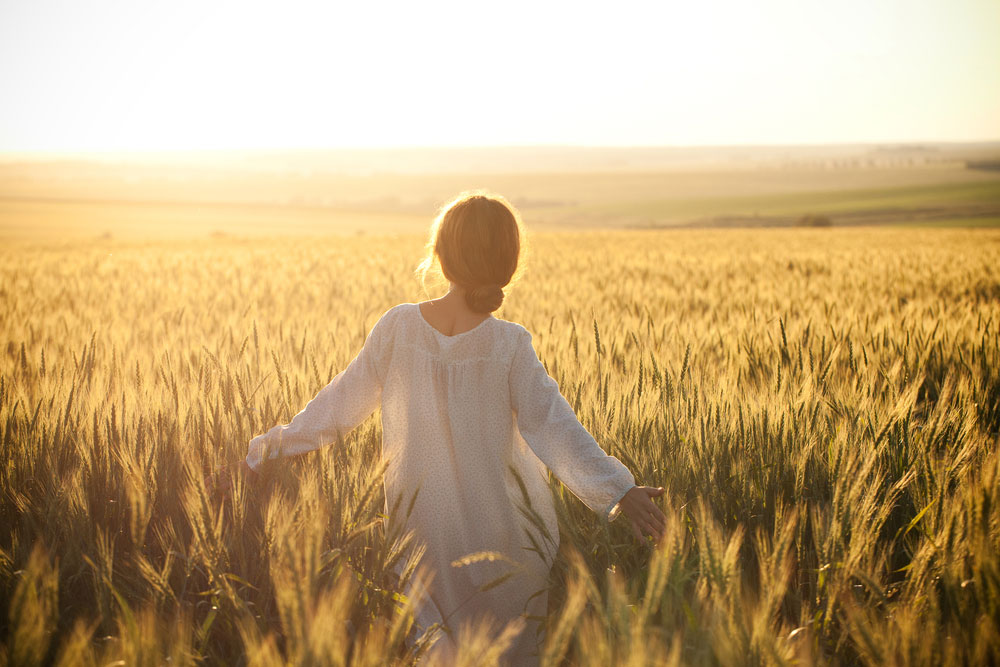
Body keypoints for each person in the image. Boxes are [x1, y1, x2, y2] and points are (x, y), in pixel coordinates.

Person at [241, 192, 666, 664]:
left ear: (440, 256)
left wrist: (263, 452)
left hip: (422, 539)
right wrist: (618, 490)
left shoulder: (398, 328)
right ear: (508, 264)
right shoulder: (509, 345)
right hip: (507, 545)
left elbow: (336, 407)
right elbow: (555, 428)